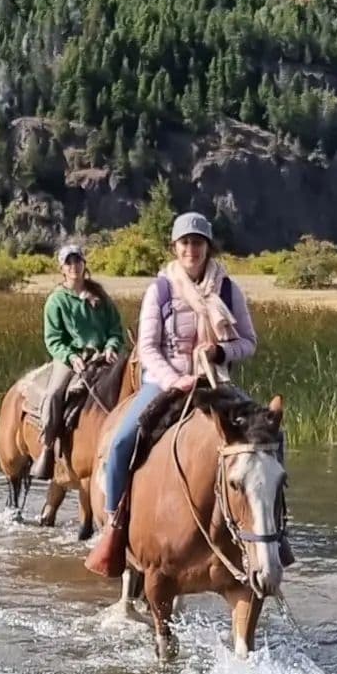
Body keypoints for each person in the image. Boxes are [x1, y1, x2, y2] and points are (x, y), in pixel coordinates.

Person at [99, 211, 258, 526]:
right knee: (121, 442)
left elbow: (249, 342)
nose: (191, 250)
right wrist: (175, 380)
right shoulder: (160, 290)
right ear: (175, 247)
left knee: (269, 436)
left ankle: (271, 524)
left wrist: (220, 350)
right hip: (164, 381)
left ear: (207, 247)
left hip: (215, 382)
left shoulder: (228, 290)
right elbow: (146, 348)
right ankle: (113, 523)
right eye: (185, 242)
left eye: (197, 242)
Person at [32, 244, 125, 481]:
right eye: (69, 262)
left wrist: (112, 347)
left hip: (102, 357)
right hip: (72, 358)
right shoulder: (56, 301)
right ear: (62, 268)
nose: (74, 266)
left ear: (84, 264)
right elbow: (53, 339)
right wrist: (71, 357)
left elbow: (115, 328)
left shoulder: (100, 297)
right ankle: (48, 444)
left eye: (78, 261)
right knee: (54, 393)